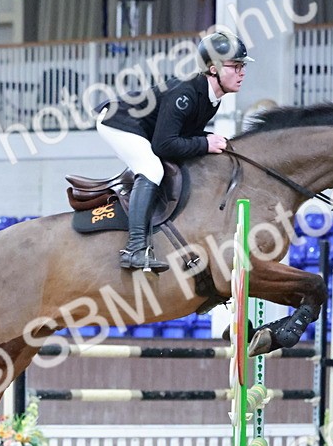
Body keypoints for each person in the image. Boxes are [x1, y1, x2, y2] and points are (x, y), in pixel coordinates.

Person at [96, 31, 252, 272]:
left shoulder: (211, 98)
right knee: (151, 169)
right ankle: (135, 249)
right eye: (236, 66)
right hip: (117, 122)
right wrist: (205, 143)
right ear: (213, 69)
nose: (242, 73)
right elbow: (164, 145)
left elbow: (183, 135)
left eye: (242, 66)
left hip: (141, 127)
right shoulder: (186, 94)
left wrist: (205, 138)